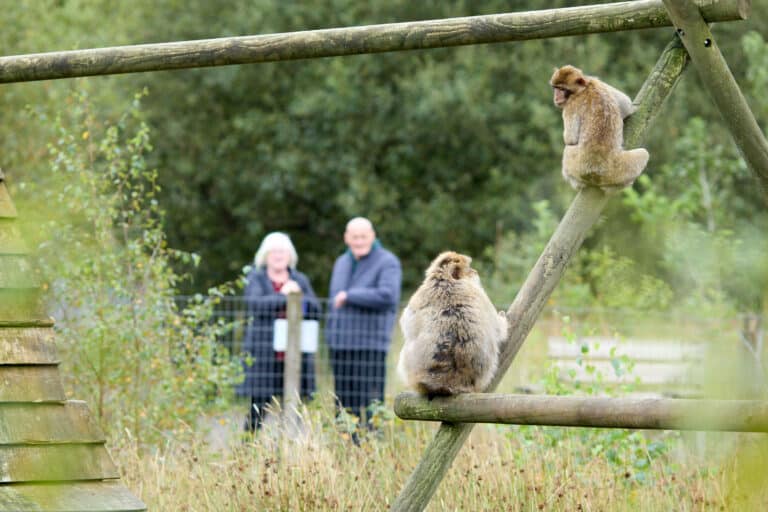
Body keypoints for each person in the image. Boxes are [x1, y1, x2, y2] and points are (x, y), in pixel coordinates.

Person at [237, 232, 319, 431]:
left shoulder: (300, 279)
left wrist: (298, 298)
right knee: (259, 407)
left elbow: (315, 308)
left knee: (294, 405)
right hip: (264, 356)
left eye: (282, 251)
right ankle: (248, 449)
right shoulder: (256, 277)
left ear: (290, 255)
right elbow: (255, 304)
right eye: (274, 251)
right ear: (265, 255)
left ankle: (292, 451)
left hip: (294, 356)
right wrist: (285, 296)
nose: (278, 255)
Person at [325, 217, 402, 421]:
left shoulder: (387, 261)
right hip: (340, 345)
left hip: (370, 346)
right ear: (346, 238)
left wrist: (350, 296)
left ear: (373, 236)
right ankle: (346, 446)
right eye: (354, 237)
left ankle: (370, 444)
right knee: (342, 404)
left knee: (370, 403)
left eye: (363, 236)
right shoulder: (341, 262)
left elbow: (388, 296)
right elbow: (333, 302)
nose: (359, 241)